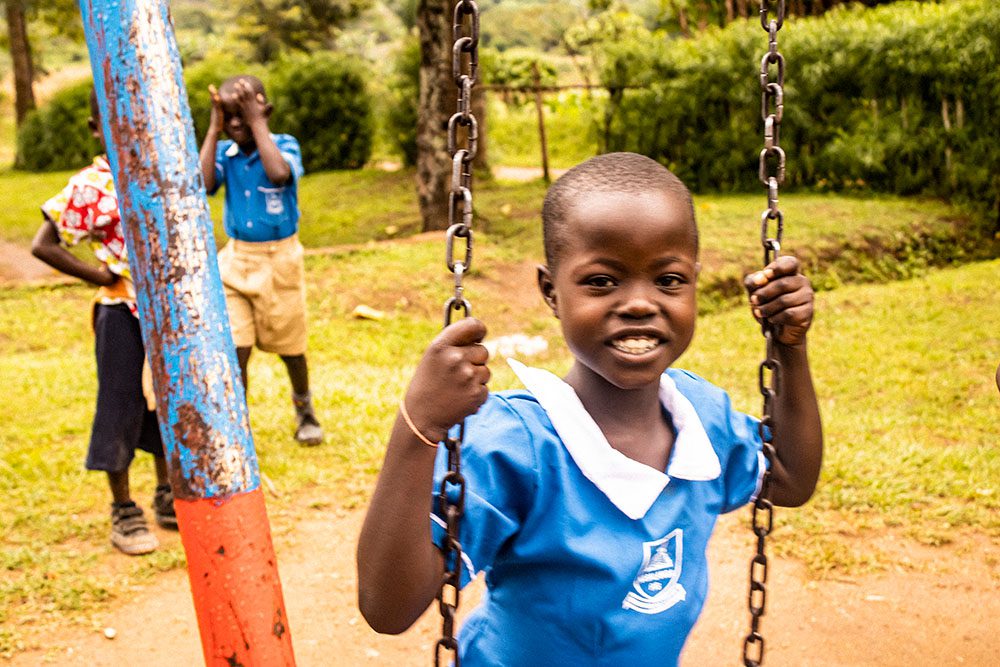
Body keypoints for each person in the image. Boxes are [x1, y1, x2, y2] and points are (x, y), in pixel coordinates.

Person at [356, 152, 823, 664]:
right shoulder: (517, 445)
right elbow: (388, 607)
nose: (640, 303)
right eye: (602, 281)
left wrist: (790, 348)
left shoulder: (702, 416)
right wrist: (418, 426)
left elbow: (789, 479)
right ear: (552, 292)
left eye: (668, 280)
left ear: (694, 282)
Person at [31, 89, 176, 556]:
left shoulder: (156, 171)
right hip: (119, 313)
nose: (127, 129)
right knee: (121, 404)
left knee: (161, 402)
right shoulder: (91, 186)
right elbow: (44, 243)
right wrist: (99, 274)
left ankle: (167, 494)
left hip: (163, 315)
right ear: (97, 128)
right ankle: (124, 510)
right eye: (113, 122)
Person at [198, 75, 323, 446]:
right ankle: (238, 424)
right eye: (229, 117)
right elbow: (204, 184)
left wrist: (259, 123)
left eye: (243, 115)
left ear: (263, 110)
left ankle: (304, 408)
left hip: (280, 259)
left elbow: (279, 173)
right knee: (236, 346)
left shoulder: (283, 145)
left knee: (290, 344)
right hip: (237, 260)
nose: (236, 125)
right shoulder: (224, 153)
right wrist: (212, 128)